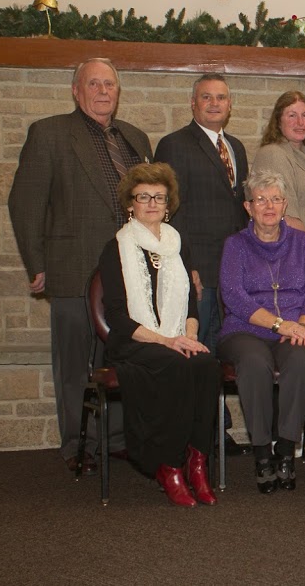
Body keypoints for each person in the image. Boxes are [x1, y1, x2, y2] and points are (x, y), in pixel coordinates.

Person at [8, 57, 152, 475]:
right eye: (94, 84)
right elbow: (25, 203)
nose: (104, 91)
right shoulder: (50, 133)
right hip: (73, 268)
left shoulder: (136, 138)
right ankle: (77, 444)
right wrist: (35, 262)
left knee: (124, 355)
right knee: (75, 362)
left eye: (110, 84)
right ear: (76, 90)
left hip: (129, 274)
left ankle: (119, 439)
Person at [97, 162, 219, 507]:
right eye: (144, 197)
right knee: (175, 365)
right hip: (132, 343)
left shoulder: (178, 245)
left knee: (206, 365)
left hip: (176, 338)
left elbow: (191, 307)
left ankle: (198, 462)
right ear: (130, 204)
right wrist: (168, 341)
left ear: (169, 205)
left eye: (159, 197)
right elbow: (117, 315)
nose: (152, 203)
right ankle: (169, 464)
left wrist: (190, 337)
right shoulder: (116, 248)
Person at [154, 74, 250, 455]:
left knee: (216, 351)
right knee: (197, 350)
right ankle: (197, 437)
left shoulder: (237, 147)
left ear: (230, 105)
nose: (214, 103)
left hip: (231, 268)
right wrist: (184, 264)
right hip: (197, 269)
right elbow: (169, 211)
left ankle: (214, 431)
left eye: (221, 98)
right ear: (192, 103)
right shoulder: (174, 145)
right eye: (206, 97)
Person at [218, 170, 305, 494]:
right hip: (244, 329)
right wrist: (280, 324)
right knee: (253, 363)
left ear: (285, 204)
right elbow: (234, 296)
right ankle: (262, 452)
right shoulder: (235, 245)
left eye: (275, 199)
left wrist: (303, 327)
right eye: (261, 199)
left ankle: (285, 450)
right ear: (248, 207)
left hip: (295, 328)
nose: (269, 206)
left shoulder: (302, 242)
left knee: (302, 361)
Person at [251, 91, 305, 278]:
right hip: (288, 259)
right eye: (292, 115)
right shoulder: (274, 154)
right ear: (278, 121)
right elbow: (285, 215)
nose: (300, 122)